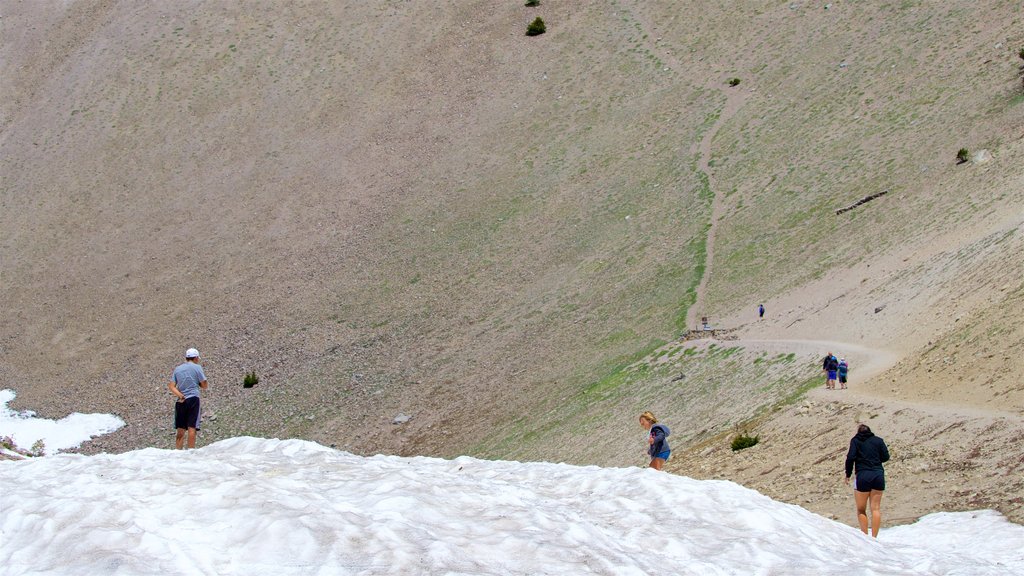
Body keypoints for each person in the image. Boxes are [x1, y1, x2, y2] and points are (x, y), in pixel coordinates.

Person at [844, 424, 890, 537]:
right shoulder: (878, 441)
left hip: (862, 475)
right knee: (875, 508)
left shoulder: (855, 441)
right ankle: (874, 537)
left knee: (861, 509)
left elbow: (850, 457)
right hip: (878, 474)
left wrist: (848, 474)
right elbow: (886, 457)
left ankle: (865, 537)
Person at [168, 347, 209, 449]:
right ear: (195, 358)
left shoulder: (177, 369)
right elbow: (204, 385)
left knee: (180, 429)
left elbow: (171, 386)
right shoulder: (197, 367)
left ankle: (178, 452)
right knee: (192, 427)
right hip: (193, 399)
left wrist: (180, 395)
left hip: (181, 401)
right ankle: (191, 452)